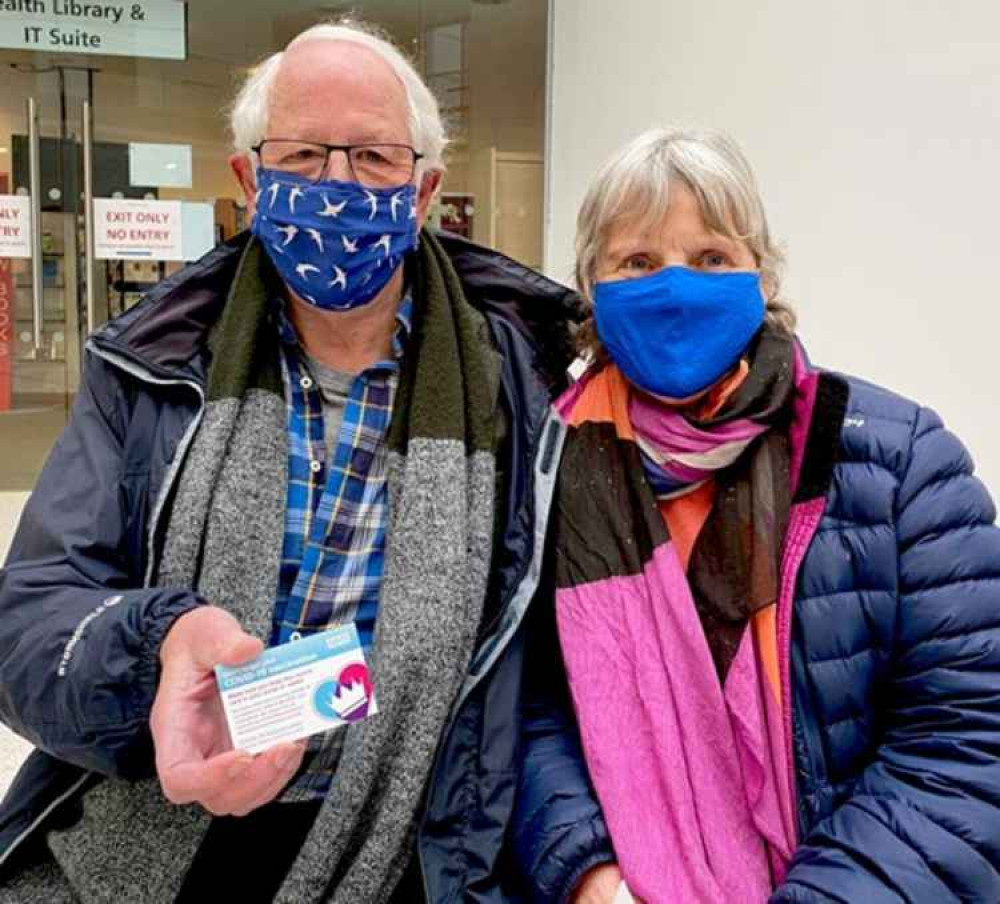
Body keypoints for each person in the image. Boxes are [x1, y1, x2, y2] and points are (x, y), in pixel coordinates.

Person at [0, 19, 584, 903]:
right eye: (304, 155)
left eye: (376, 158)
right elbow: (29, 621)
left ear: (423, 191)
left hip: (404, 850)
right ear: (249, 178)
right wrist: (153, 658)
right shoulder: (155, 367)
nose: (338, 184)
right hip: (150, 824)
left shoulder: (520, 388)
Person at [513, 127, 1000, 903]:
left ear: (761, 274)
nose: (675, 288)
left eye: (710, 258)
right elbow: (526, 712)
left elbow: (969, 737)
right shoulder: (543, 470)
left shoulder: (901, 460)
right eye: (637, 262)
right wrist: (592, 877)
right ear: (592, 287)